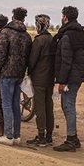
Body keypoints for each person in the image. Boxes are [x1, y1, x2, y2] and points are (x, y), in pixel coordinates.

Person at [52, 6, 84, 152]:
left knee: (68, 106)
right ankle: (74, 138)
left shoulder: (67, 35)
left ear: (65, 17)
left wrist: (62, 81)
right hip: (78, 75)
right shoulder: (79, 33)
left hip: (70, 77)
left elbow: (66, 61)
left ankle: (70, 140)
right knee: (68, 105)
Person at [0, 7, 32, 146]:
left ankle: (8, 135)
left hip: (7, 72)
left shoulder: (6, 32)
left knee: (6, 103)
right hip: (19, 73)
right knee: (15, 104)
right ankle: (16, 135)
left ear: (13, 16)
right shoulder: (27, 36)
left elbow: (1, 54)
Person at [27, 14, 55, 147]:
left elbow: (32, 61)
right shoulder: (52, 39)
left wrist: (29, 72)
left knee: (40, 108)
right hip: (50, 78)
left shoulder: (38, 41)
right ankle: (49, 136)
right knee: (49, 106)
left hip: (39, 78)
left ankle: (41, 136)